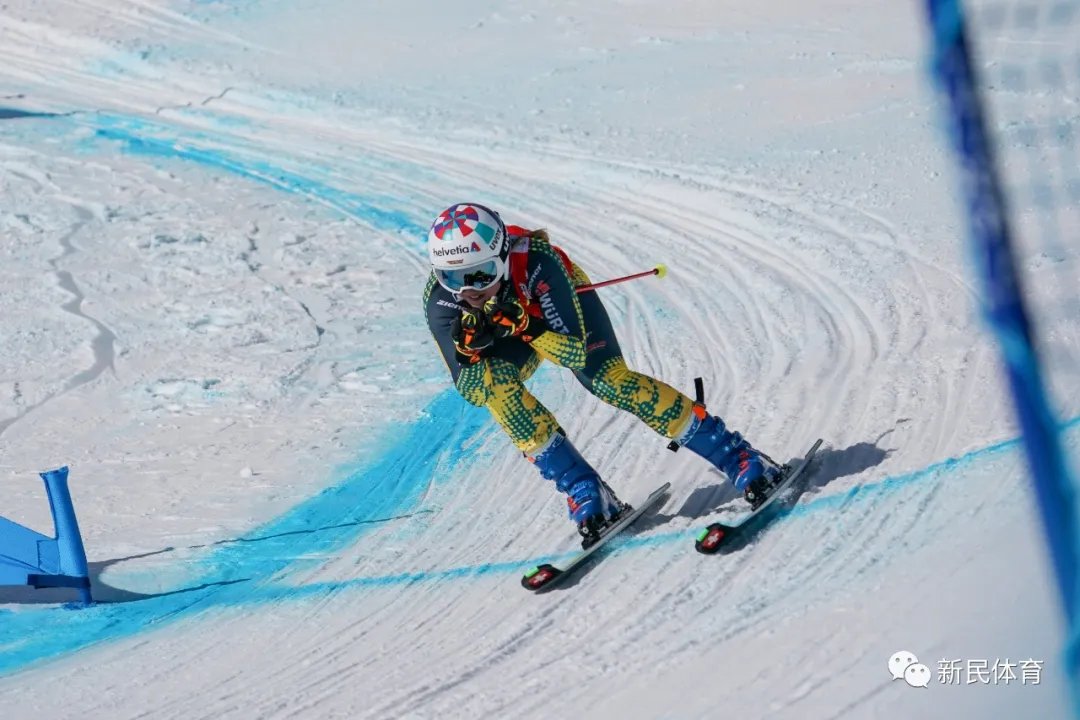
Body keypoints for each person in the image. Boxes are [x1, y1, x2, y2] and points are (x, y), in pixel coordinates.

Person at [422, 202, 782, 543]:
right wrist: (470, 353)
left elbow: (574, 353)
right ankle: (585, 489)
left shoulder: (538, 263)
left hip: (559, 316)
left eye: (481, 273)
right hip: (514, 334)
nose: (469, 290)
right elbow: (472, 393)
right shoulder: (440, 298)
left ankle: (739, 457)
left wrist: (527, 326)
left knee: (607, 380)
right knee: (495, 389)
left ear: (501, 257)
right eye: (453, 277)